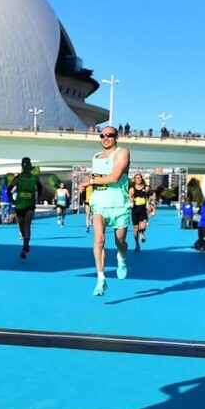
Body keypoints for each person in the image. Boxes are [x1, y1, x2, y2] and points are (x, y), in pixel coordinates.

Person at [78, 127, 130, 296]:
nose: (105, 138)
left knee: (120, 241)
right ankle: (101, 279)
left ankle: (121, 256)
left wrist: (91, 181)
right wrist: (85, 181)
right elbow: (95, 175)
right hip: (99, 204)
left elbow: (114, 177)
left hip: (119, 205)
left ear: (116, 137)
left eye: (109, 135)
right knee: (99, 240)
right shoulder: (96, 157)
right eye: (102, 135)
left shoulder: (122, 152)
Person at [12, 156, 42, 258]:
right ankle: (26, 243)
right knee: (21, 227)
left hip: (30, 206)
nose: (25, 167)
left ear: (30, 166)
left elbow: (40, 188)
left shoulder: (35, 178)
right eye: (24, 165)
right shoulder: (17, 178)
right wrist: (13, 200)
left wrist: (37, 199)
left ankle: (25, 247)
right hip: (19, 206)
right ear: (22, 166)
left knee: (27, 225)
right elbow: (9, 190)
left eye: (27, 165)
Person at [129, 174, 150, 249]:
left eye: (139, 177)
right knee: (135, 229)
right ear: (134, 180)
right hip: (135, 210)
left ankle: (142, 232)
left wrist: (150, 206)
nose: (138, 179)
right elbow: (130, 198)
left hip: (143, 210)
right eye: (136, 178)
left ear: (142, 179)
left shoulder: (146, 188)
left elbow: (149, 198)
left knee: (143, 226)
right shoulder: (132, 189)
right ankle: (137, 244)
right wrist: (132, 199)